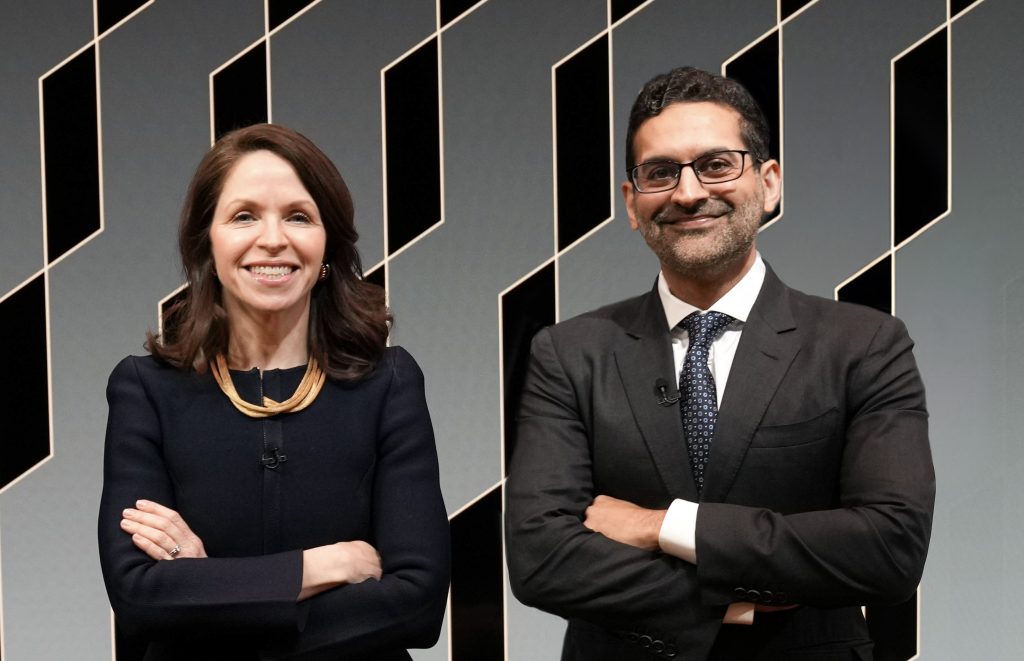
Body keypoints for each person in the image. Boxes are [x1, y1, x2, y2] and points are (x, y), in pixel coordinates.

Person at [505, 67, 934, 660]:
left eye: (715, 165)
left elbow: (890, 548)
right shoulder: (570, 352)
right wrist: (730, 606)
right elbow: (540, 558)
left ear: (769, 183)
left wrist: (664, 526)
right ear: (631, 203)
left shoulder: (865, 345)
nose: (687, 193)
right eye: (660, 172)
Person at [97, 124, 450, 660]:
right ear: (206, 242)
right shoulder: (145, 390)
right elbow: (140, 598)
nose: (273, 239)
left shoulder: (390, 383)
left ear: (327, 244)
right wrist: (321, 567)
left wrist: (210, 594)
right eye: (244, 216)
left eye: (298, 216)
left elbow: (417, 606)